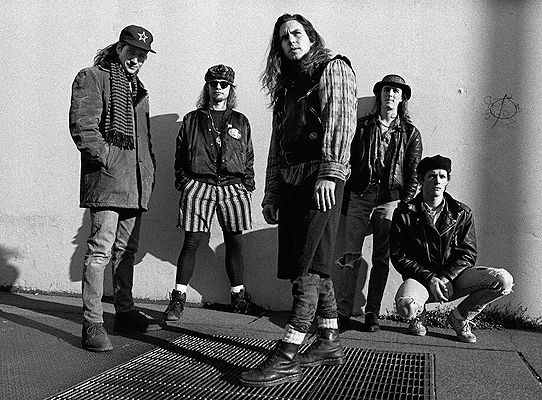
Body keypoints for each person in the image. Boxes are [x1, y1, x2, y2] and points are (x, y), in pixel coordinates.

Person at [239, 14, 357, 387]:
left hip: (320, 180)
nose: (291, 40)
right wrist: (272, 192)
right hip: (293, 184)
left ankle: (287, 353)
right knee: (316, 265)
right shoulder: (286, 87)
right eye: (283, 37)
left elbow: (341, 121)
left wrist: (330, 174)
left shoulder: (332, 69)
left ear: (311, 37)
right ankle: (328, 340)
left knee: (306, 269)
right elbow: (278, 145)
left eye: (297, 33)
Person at [69, 25, 159, 352]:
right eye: (132, 51)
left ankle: (125, 311)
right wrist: (108, 158)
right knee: (99, 251)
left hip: (136, 184)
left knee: (126, 252)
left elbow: (144, 139)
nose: (137, 59)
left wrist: (148, 169)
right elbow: (83, 127)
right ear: (119, 48)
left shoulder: (138, 90)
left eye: (142, 55)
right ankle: (92, 323)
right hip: (108, 181)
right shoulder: (92, 77)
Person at [163, 64, 264, 322]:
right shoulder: (192, 119)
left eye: (223, 84)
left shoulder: (241, 120)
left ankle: (239, 298)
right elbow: (180, 155)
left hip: (233, 186)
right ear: (207, 87)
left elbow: (248, 154)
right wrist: (185, 183)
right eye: (213, 84)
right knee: (191, 242)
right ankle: (178, 299)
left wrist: (247, 184)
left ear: (230, 89)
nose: (218, 88)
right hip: (199, 184)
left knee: (234, 243)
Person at [390, 154, 514, 343]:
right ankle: (418, 314)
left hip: (454, 279)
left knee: (503, 280)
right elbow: (399, 256)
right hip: (421, 279)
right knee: (406, 307)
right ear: (421, 179)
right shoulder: (404, 213)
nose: (437, 181)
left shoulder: (462, 213)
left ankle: (460, 317)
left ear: (448, 180)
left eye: (442, 176)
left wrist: (447, 276)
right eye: (431, 176)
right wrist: (430, 278)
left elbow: (468, 252)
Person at [335, 74, 422, 332]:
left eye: (396, 91)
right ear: (380, 95)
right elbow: (348, 162)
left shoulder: (410, 133)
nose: (390, 95)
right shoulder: (362, 126)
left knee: (381, 258)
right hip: (360, 195)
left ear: (402, 98)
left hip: (390, 200)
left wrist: (404, 204)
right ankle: (342, 311)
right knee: (350, 255)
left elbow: (413, 173)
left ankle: (372, 312)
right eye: (386, 90)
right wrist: (346, 196)